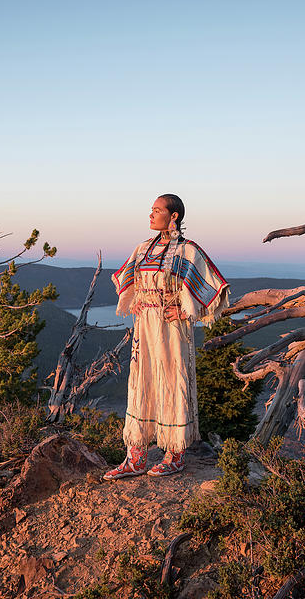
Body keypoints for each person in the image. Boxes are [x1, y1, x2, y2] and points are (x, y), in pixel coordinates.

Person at [104, 194, 229, 479]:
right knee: (141, 381)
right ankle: (135, 457)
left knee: (173, 381)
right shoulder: (143, 248)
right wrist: (135, 299)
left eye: (157, 210)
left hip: (172, 331)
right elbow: (127, 280)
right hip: (145, 327)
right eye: (151, 209)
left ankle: (174, 454)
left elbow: (215, 288)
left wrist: (187, 312)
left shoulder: (188, 251)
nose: (151, 214)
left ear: (174, 216)